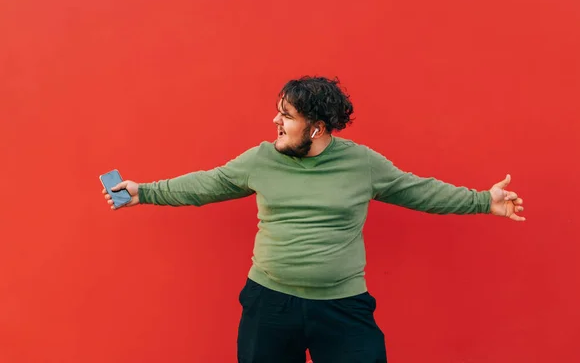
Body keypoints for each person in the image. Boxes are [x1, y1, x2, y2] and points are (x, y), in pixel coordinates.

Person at [101, 76, 525, 363]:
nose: (276, 122)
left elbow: (419, 190)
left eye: (286, 116)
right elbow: (207, 184)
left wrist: (483, 201)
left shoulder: (363, 164)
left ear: (318, 127)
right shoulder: (261, 159)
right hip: (269, 304)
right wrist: (145, 192)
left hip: (342, 307)